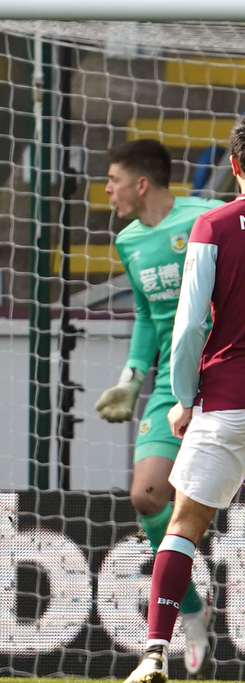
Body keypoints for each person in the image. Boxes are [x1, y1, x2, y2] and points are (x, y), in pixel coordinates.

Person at [122, 118, 244, 683]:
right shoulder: (144, 237)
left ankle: (153, 652)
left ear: (236, 168)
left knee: (185, 523)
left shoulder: (211, 224)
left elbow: (191, 323)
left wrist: (184, 396)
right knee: (153, 498)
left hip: (225, 399)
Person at [94, 138, 219, 674]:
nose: (106, 190)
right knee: (147, 495)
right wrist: (130, 378)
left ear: (140, 184)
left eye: (112, 179)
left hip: (225, 368)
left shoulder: (209, 217)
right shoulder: (127, 241)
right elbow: (147, 316)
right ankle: (192, 609)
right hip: (172, 381)